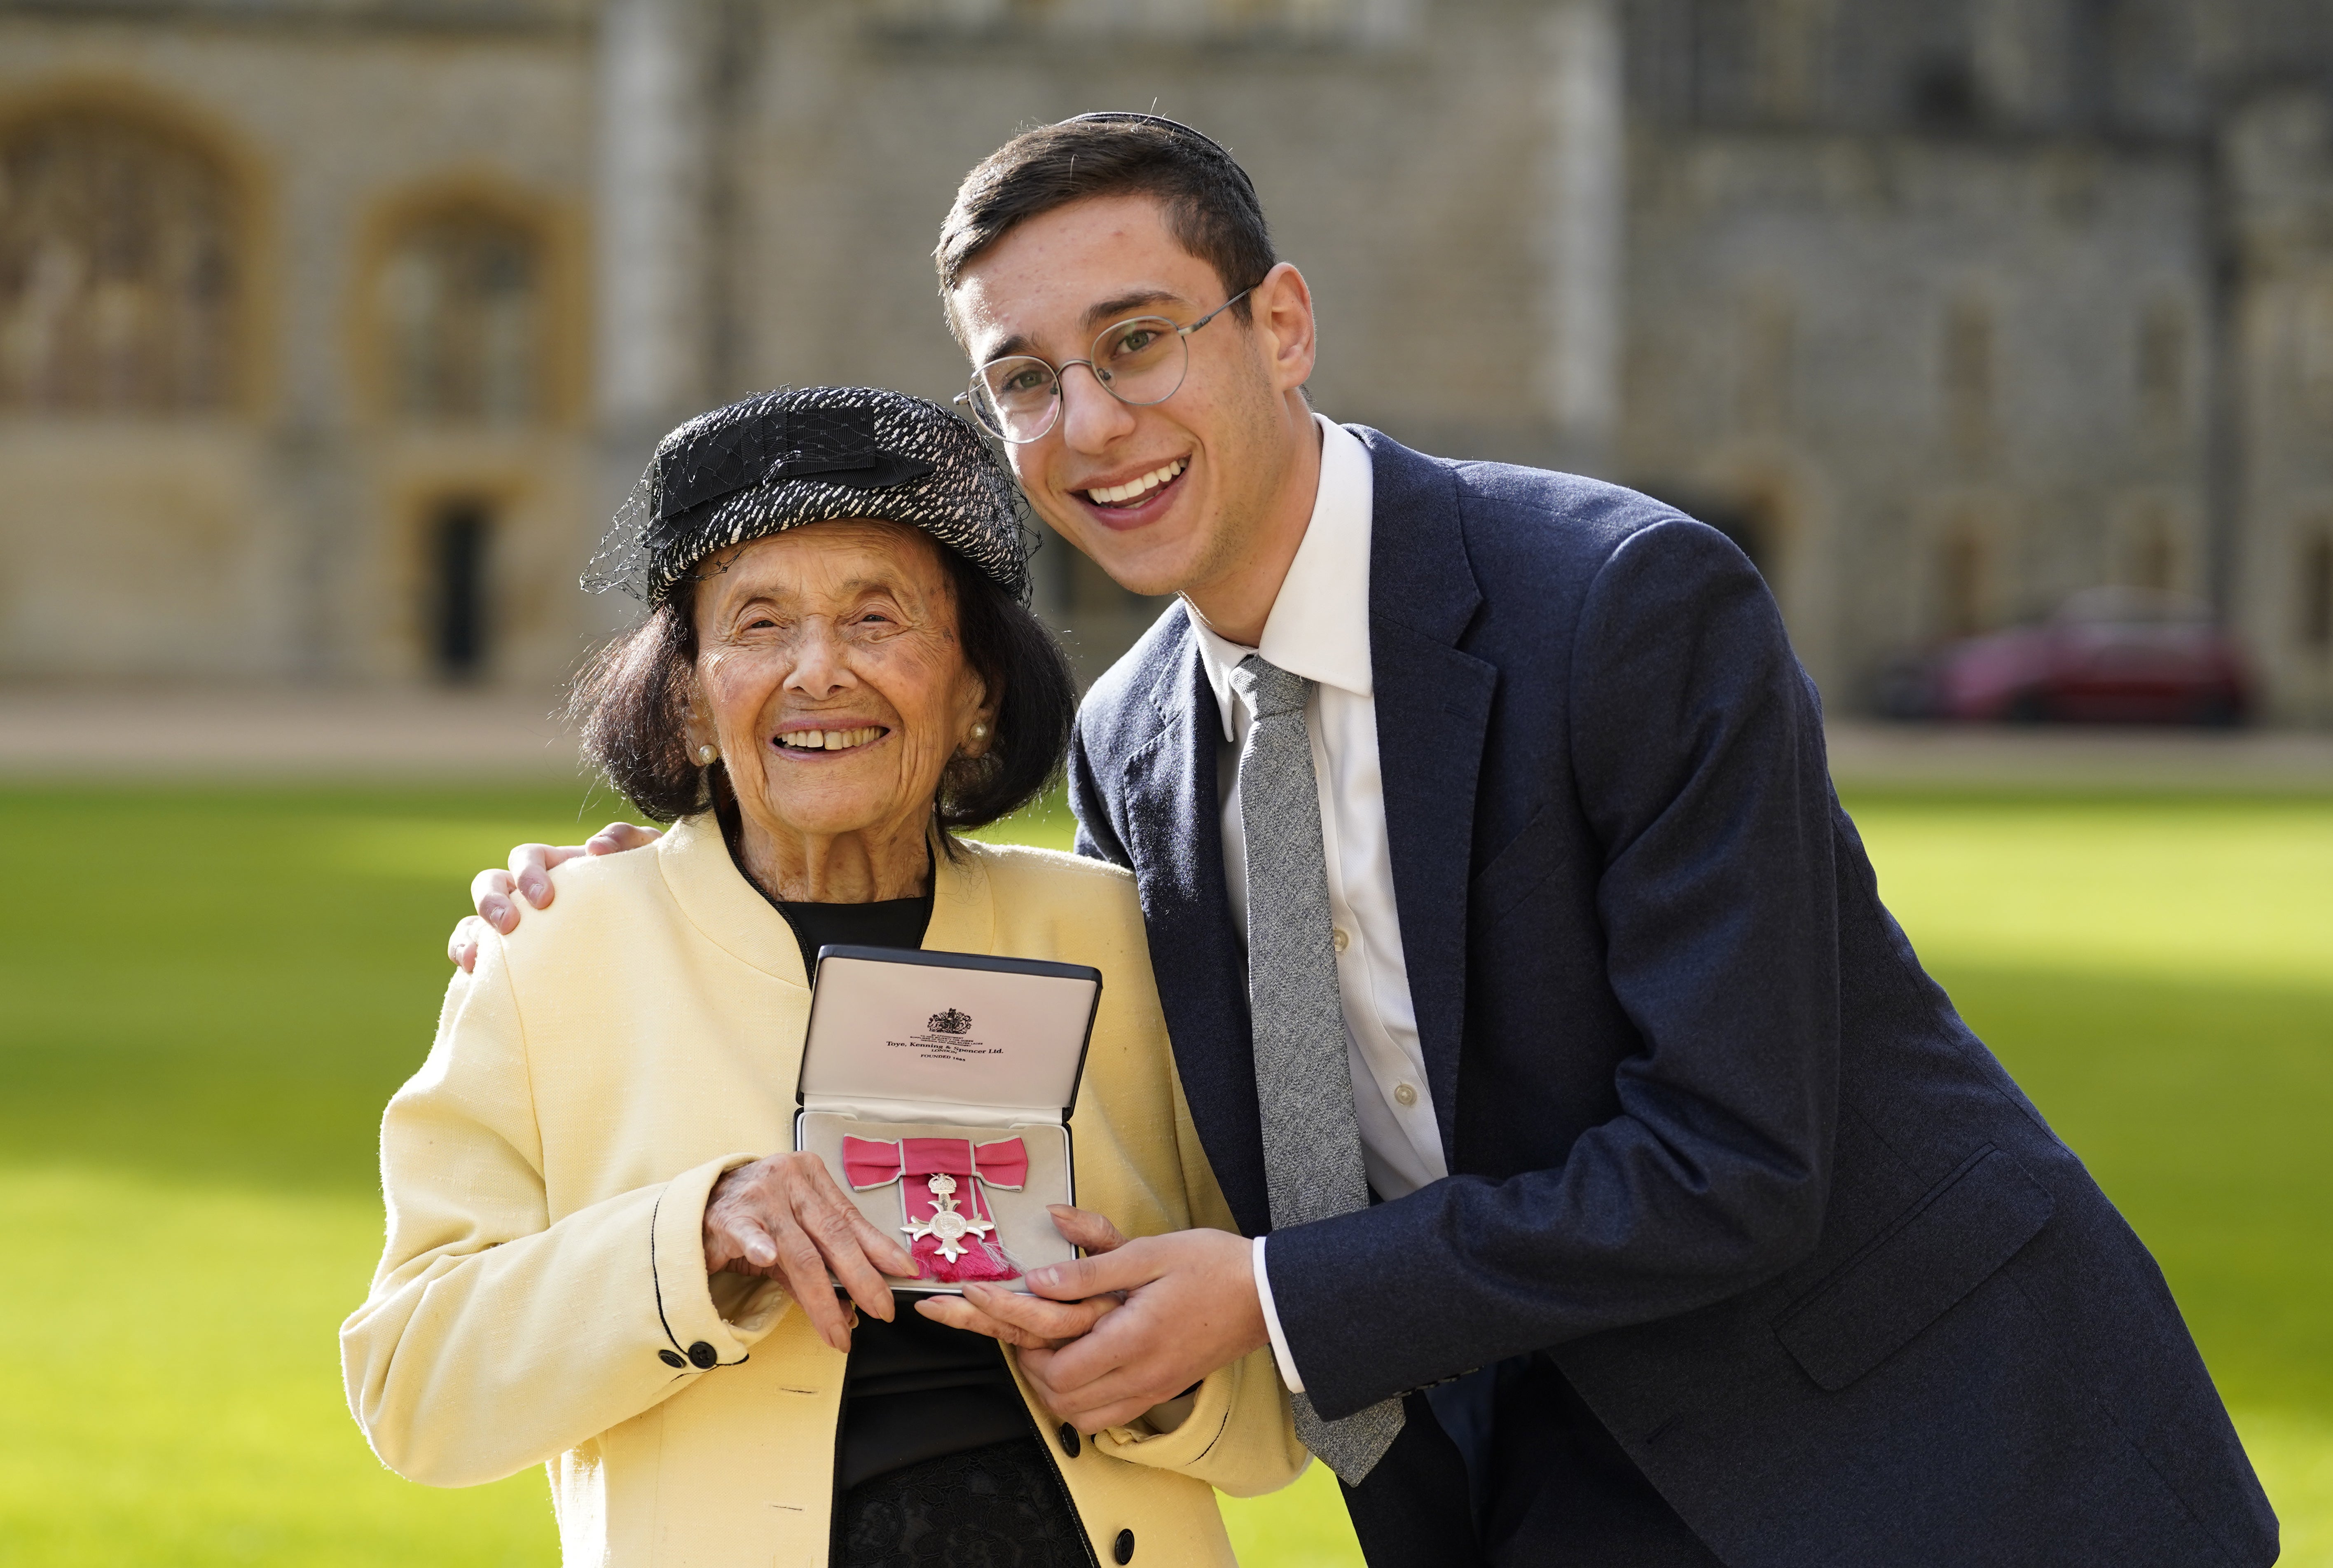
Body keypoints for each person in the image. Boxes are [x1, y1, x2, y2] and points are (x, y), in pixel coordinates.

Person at [454, 120, 2277, 1568]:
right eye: (1024, 381)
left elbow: (1737, 1156)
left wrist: (1258, 1295)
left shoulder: (1625, 603)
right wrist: (632, 877)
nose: (1091, 425)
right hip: (1535, 1474)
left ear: (1284, 325)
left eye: (1139, 340)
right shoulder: (1132, 745)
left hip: (1923, 1450)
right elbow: (943, 922)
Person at [347, 385, 1304, 1568]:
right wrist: (692, 1234)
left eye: (878, 618)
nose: (820, 672)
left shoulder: (1121, 937)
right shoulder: (555, 951)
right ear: (690, 698)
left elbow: (1276, 1415)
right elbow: (413, 1391)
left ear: (977, 692)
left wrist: (1145, 1366)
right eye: (756, 624)